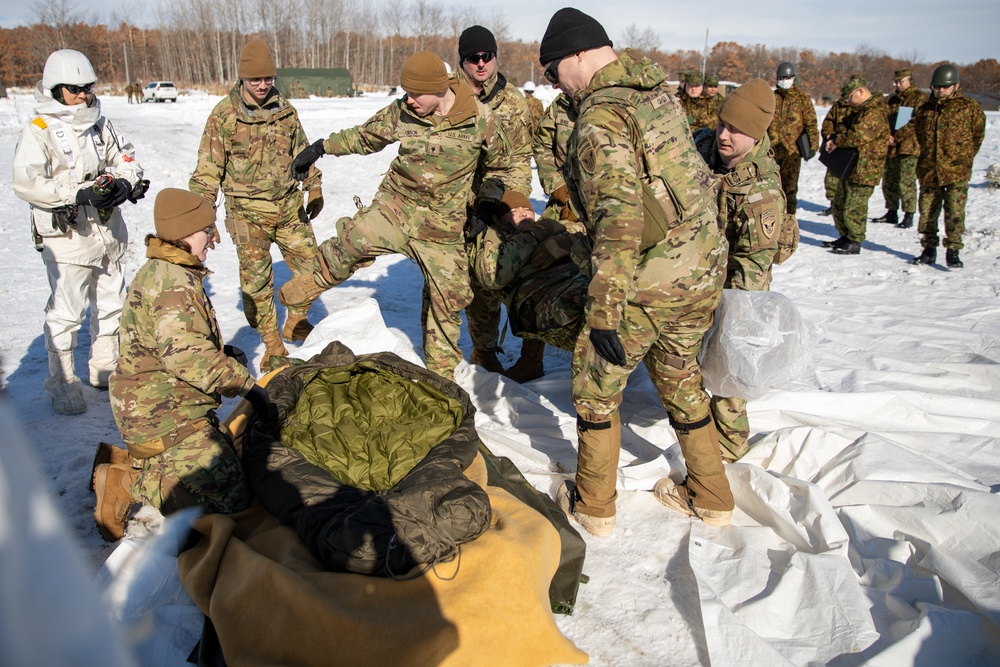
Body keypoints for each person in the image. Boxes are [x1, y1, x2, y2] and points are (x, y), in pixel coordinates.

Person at [539, 8, 731, 536]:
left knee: (595, 387)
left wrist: (603, 312)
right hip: (702, 267)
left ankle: (593, 507)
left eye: (554, 71)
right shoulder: (655, 94)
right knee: (679, 372)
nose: (556, 84)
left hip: (650, 281)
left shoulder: (600, 118)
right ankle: (713, 495)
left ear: (578, 54)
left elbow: (618, 219)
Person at [284, 51, 516, 379]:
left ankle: (441, 378)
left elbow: (500, 166)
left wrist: (489, 203)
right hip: (397, 206)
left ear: (438, 89)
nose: (408, 99)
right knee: (354, 239)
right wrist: (321, 147)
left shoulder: (481, 118)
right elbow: (364, 137)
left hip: (442, 224)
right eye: (404, 91)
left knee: (450, 297)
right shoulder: (403, 112)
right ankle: (314, 283)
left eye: (414, 93)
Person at [105, 188, 276, 540]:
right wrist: (248, 387)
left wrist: (222, 356)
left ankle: (150, 463)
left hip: (167, 406)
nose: (213, 239)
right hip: (161, 417)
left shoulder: (165, 269)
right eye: (206, 231)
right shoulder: (173, 285)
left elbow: (175, 344)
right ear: (183, 233)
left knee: (232, 467)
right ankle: (131, 482)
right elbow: (187, 356)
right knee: (232, 502)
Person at [12, 49, 146, 415]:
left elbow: (126, 157)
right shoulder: (39, 132)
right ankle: (63, 384)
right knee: (66, 313)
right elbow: (26, 183)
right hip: (68, 240)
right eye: (75, 89)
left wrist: (124, 183)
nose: (84, 95)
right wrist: (75, 193)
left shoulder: (101, 124)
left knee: (111, 305)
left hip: (107, 236)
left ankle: (105, 370)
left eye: (88, 87)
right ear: (56, 90)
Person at [189, 39, 324, 373]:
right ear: (242, 79)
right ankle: (273, 344)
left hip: (288, 208)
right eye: (255, 80)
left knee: (315, 269)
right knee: (257, 286)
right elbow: (207, 172)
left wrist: (314, 186)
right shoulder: (224, 116)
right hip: (248, 215)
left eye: (268, 78)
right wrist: (204, 218)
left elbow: (303, 153)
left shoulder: (286, 111)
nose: (263, 85)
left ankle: (295, 320)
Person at [694, 80, 785, 461]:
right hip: (694, 268)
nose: (724, 135)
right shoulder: (703, 144)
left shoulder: (761, 192)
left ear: (758, 134)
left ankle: (730, 445)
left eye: (737, 131)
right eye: (722, 124)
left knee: (730, 360)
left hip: (737, 281)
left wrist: (730, 316)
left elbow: (752, 266)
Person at [457, 25, 534, 374]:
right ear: (463, 61)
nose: (482, 64)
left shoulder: (513, 101)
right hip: (457, 203)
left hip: (499, 198)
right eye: (474, 58)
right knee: (465, 282)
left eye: (487, 56)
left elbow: (520, 158)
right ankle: (482, 349)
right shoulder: (450, 96)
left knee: (501, 271)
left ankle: (531, 354)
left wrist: (511, 202)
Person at [469, 190, 588, 354]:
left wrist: (568, 241)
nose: (522, 214)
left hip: (582, 278)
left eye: (526, 210)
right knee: (595, 307)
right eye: (513, 212)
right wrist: (534, 234)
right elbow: (492, 275)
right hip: (550, 297)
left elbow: (597, 236)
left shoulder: (549, 225)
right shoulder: (498, 239)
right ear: (499, 219)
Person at [911, 64, 985, 269]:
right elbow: (919, 134)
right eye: (936, 86)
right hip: (929, 169)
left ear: (956, 86)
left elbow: (977, 135)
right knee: (927, 213)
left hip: (956, 170)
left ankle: (953, 251)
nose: (940, 90)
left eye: (945, 86)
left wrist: (964, 157)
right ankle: (928, 250)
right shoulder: (925, 109)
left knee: (954, 213)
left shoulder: (968, 107)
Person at [822, 75, 890, 255]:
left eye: (850, 97)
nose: (848, 102)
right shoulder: (862, 110)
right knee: (841, 203)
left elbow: (858, 135)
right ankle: (845, 236)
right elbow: (844, 127)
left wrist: (838, 140)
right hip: (853, 167)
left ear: (860, 91)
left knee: (855, 206)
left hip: (865, 169)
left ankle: (854, 240)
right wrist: (836, 135)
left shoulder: (874, 111)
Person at [871, 68, 928, 229]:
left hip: (909, 147)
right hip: (890, 146)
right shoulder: (892, 99)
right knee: (889, 180)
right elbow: (882, 118)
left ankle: (909, 214)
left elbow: (918, 121)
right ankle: (891, 211)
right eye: (896, 82)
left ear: (910, 80)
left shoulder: (919, 98)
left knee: (906, 181)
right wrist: (886, 134)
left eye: (901, 81)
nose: (898, 85)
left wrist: (898, 136)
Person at [767, 61, 819, 215]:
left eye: (788, 77)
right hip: (771, 152)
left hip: (792, 153)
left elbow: (811, 123)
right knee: (771, 188)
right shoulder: (771, 97)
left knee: (790, 189)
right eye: (782, 77)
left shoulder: (802, 98)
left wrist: (813, 145)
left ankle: (788, 221)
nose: (785, 80)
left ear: (794, 78)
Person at [819, 97, 851, 216]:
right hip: (835, 147)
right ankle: (834, 205)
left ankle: (847, 208)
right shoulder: (839, 105)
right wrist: (829, 136)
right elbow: (828, 121)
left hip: (851, 147)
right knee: (831, 179)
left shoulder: (864, 108)